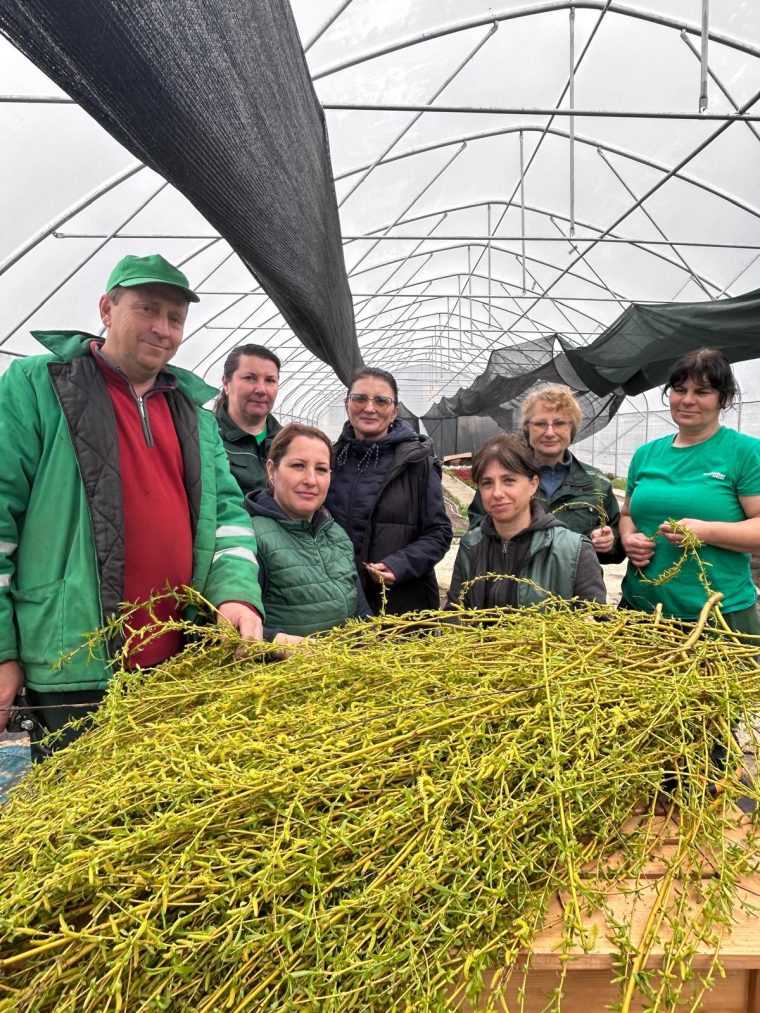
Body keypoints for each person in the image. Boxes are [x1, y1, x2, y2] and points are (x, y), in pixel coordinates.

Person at [0, 254, 264, 752]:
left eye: (175, 318)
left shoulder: (193, 413)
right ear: (106, 308)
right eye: (147, 309)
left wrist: (235, 594)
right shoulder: (40, 386)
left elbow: (229, 517)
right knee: (75, 818)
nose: (162, 328)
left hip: (176, 664)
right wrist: (1, 653)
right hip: (74, 669)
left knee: (160, 819)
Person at [620, 348, 760, 634]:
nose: (687, 400)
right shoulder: (646, 454)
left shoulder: (745, 453)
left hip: (717, 619)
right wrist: (628, 537)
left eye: (702, 391)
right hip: (640, 612)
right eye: (679, 389)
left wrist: (705, 532)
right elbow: (627, 513)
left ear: (723, 398)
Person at [326, 367, 453, 614]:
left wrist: (400, 565)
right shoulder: (330, 460)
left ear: (394, 411)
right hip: (339, 603)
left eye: (381, 401)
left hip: (401, 607)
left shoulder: (417, 463)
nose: (369, 408)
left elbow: (439, 532)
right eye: (360, 398)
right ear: (347, 404)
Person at [468, 385, 624, 564]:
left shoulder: (596, 484)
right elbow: (475, 533)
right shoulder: (503, 477)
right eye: (540, 424)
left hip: (574, 586)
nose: (549, 433)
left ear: (571, 429)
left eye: (559, 423)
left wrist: (609, 543)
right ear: (527, 428)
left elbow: (618, 547)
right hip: (512, 581)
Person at [447, 434, 606, 608]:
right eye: (487, 483)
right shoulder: (471, 546)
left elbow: (594, 621)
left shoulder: (574, 551)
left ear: (533, 484)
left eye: (509, 481)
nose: (497, 493)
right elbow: (455, 613)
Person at [246, 423, 370, 644]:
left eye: (321, 469)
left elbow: (362, 613)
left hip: (344, 670)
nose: (311, 480)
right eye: (298, 466)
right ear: (271, 470)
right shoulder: (252, 538)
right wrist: (279, 644)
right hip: (282, 675)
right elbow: (234, 628)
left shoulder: (336, 534)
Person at [216, 344, 282, 496]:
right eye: (250, 378)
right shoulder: (209, 439)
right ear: (226, 383)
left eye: (270, 380)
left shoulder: (289, 441)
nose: (261, 390)